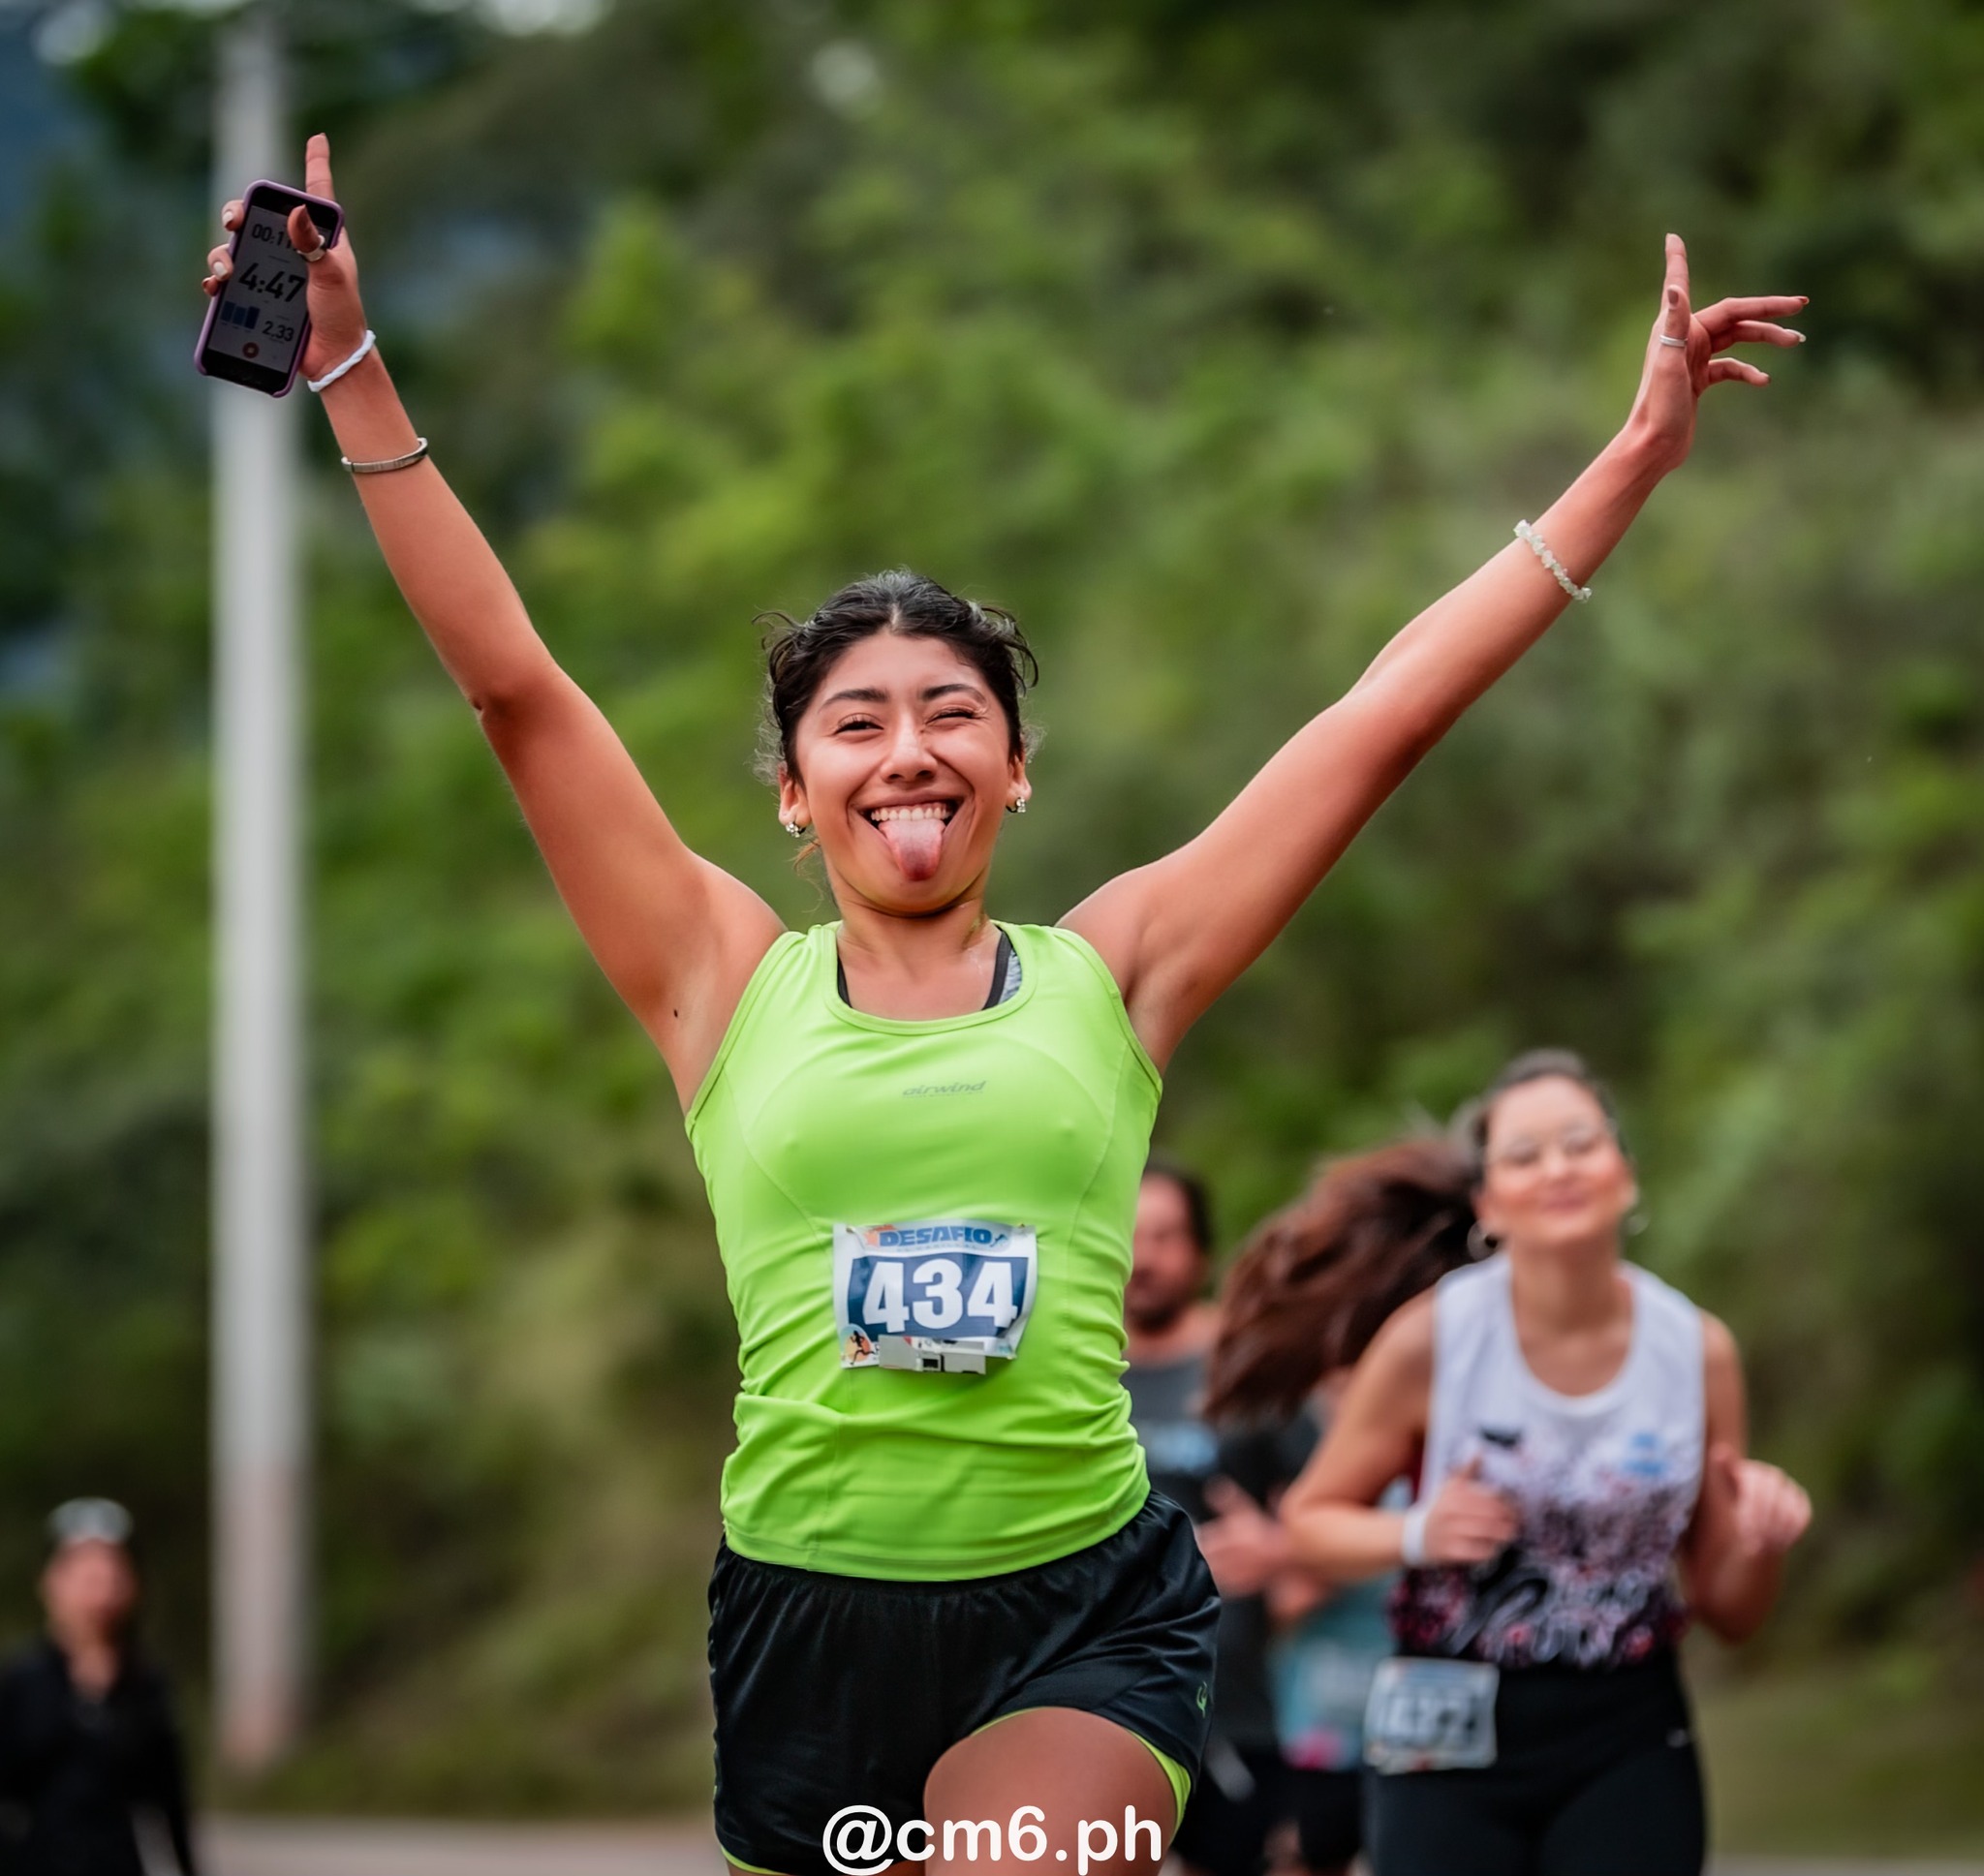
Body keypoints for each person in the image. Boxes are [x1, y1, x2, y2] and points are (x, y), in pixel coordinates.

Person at [202, 135, 1805, 1876]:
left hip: (1080, 1607)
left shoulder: (1116, 968)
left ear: (1017, 772)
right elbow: (515, 688)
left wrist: (1630, 458)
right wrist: (349, 362)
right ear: (795, 793)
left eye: (953, 712)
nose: (909, 749)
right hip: (808, 1620)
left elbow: (1377, 718)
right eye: (858, 720)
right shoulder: (719, 976)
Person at [1276, 1053, 1814, 1876]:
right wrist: (1418, 1531)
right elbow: (1309, 1524)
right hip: (1444, 1723)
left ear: (1625, 1175)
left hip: (1624, 1731)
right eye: (1524, 1155)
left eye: (1580, 1143)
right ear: (1490, 1204)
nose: (1557, 1167)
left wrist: (1763, 1543)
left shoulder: (1695, 1351)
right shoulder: (1434, 1339)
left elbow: (1729, 1610)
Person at [1196, 1139, 1479, 1876]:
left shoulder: (1494, 1377)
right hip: (1329, 1712)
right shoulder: (1302, 1420)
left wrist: (1299, 1548)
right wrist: (1307, 1549)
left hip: (1482, 1715)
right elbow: (1289, 1591)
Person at [1121, 1160, 1288, 1876]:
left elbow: (1334, 1502)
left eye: (1165, 1236)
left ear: (1202, 1254)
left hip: (1231, 1707)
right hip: (1090, 1700)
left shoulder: (1247, 1365)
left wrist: (1281, 1549)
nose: (1145, 1257)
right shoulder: (1059, 1367)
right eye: (1129, 1236)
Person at [0, 1501, 200, 1876]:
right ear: (51, 1581)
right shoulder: (22, 1682)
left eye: (112, 1573)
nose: (100, 1591)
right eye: (85, 1575)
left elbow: (170, 1800)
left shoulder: (146, 1687)